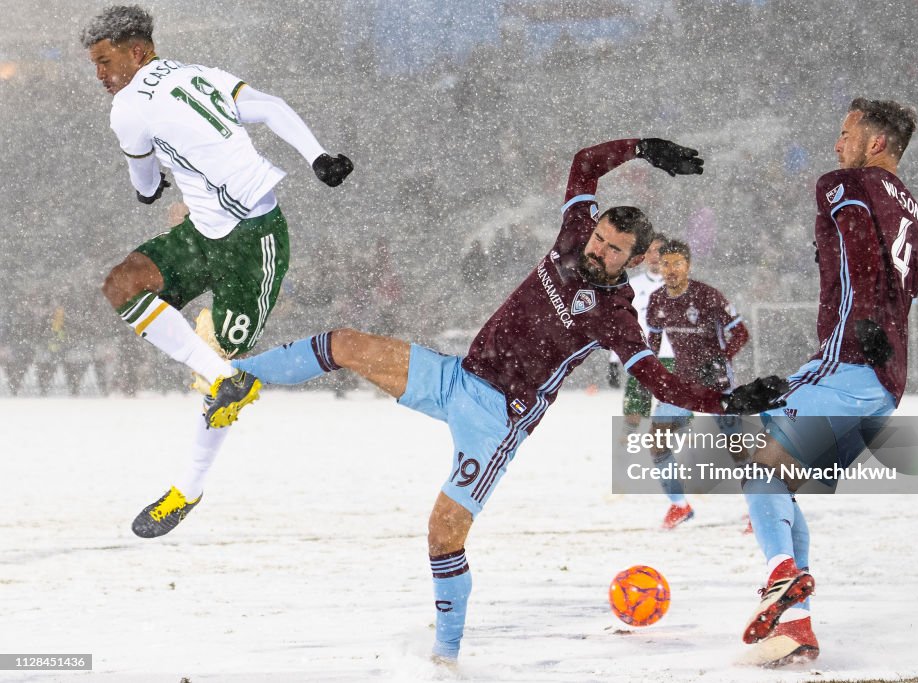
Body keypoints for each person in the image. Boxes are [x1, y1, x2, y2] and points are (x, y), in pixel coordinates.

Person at [204, 137, 788, 664]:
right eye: (598, 238)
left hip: (496, 422)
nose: (597, 250)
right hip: (456, 377)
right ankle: (234, 378)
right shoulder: (570, 238)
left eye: (613, 250)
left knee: (442, 536)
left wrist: (725, 397)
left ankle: (445, 657)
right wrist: (643, 148)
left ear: (636, 261)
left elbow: (661, 383)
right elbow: (585, 162)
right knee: (344, 343)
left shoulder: (616, 318)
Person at [81, 5, 354, 538]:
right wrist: (318, 157)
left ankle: (189, 487)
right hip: (205, 235)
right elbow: (270, 107)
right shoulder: (199, 74)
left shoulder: (127, 107)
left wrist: (150, 189)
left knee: (217, 381)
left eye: (104, 61)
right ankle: (224, 374)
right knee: (124, 284)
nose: (100, 76)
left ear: (136, 52)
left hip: (255, 246)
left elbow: (142, 183)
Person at [740, 99, 918, 667]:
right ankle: (795, 626)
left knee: (757, 465)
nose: (835, 144)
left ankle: (781, 582)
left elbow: (858, 253)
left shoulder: (843, 182)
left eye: (845, 132)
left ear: (874, 143)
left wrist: (863, 320)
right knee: (785, 483)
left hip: (849, 358)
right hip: (888, 380)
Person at [645, 239, 749, 528]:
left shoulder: (708, 296)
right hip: (682, 383)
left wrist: (720, 358)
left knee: (737, 447)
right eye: (666, 264)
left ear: (688, 266)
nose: (671, 269)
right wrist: (652, 374)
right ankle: (680, 506)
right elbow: (652, 342)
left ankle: (760, 507)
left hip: (717, 382)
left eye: (677, 263)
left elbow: (741, 333)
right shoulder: (656, 300)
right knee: (657, 442)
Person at [607, 233, 671, 428]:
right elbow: (621, 325)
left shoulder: (680, 285)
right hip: (642, 356)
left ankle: (674, 454)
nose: (654, 256)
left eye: (658, 251)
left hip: (672, 357)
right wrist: (614, 361)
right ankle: (631, 450)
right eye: (649, 251)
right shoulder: (632, 286)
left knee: (672, 414)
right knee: (633, 413)